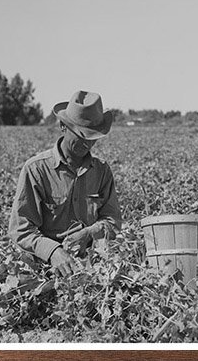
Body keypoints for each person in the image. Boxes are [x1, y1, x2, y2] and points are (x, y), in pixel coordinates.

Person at [8, 90, 121, 275]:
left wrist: (89, 234)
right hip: (45, 265)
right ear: (62, 126)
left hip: (93, 264)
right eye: (81, 135)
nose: (87, 144)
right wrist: (53, 251)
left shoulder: (101, 171)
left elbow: (113, 220)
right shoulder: (36, 169)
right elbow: (20, 229)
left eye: (92, 138)